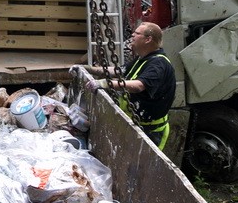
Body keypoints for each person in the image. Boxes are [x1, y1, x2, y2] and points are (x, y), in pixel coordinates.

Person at [73, 21, 176, 150]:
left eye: (137, 33)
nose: (132, 35)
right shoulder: (143, 59)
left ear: (148, 39)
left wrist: (105, 83)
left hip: (150, 131)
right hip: (135, 123)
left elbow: (139, 85)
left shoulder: (158, 64)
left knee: (141, 168)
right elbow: (119, 71)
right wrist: (89, 69)